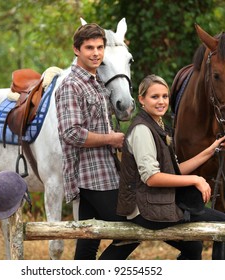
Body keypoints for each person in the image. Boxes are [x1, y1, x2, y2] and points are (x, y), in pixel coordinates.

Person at [117, 74, 225, 260]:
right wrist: (196, 179)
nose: (161, 101)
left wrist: (210, 150)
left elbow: (174, 170)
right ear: (141, 99)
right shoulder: (142, 129)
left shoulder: (157, 125)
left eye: (165, 96)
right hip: (146, 209)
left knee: (193, 247)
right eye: (154, 97)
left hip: (157, 202)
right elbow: (152, 178)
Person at [55, 23, 139, 260]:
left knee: (88, 242)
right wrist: (110, 139)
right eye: (89, 47)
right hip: (90, 176)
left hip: (104, 171)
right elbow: (71, 133)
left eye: (99, 47)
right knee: (132, 231)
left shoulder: (97, 83)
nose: (95, 53)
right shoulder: (71, 85)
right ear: (76, 50)